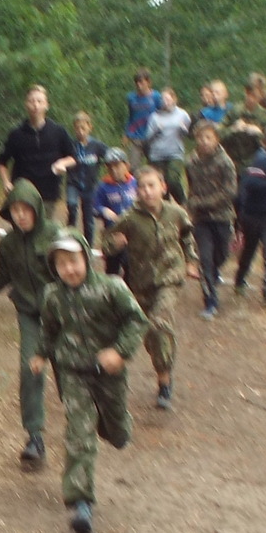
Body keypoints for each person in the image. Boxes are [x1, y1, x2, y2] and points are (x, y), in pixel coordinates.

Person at [32, 233, 149, 533]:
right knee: (79, 433)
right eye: (61, 264)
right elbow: (49, 329)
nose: (69, 269)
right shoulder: (52, 296)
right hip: (73, 372)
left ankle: (118, 427)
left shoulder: (111, 288)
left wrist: (120, 352)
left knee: (115, 428)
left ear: (86, 257)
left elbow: (136, 320)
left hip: (109, 372)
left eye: (73, 261)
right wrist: (41, 354)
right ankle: (80, 502)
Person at [0, 179, 62, 470]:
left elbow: (75, 271)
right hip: (30, 314)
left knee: (71, 370)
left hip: (59, 314)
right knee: (29, 369)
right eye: (14, 210)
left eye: (25, 209)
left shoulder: (55, 235)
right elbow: (2, 277)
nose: (20, 215)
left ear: (37, 209)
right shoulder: (8, 244)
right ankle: (35, 438)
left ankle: (88, 416)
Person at [103, 166, 199, 410]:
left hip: (170, 278)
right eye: (141, 187)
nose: (146, 191)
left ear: (163, 187)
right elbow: (105, 244)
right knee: (148, 333)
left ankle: (164, 383)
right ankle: (158, 371)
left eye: (151, 186)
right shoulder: (130, 218)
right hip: (141, 282)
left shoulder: (176, 213)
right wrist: (115, 243)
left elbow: (187, 236)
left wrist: (191, 261)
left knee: (159, 323)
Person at [184, 120, 239, 320]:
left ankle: (214, 272)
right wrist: (191, 205)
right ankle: (210, 302)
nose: (204, 142)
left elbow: (230, 191)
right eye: (200, 138)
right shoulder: (191, 162)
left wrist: (205, 202)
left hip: (222, 216)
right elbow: (191, 187)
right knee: (204, 259)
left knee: (222, 254)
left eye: (209, 137)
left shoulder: (225, 162)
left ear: (216, 139)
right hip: (202, 219)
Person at [0, 85, 77, 209]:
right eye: (31, 101)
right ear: (26, 105)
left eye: (39, 101)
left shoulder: (58, 131)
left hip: (49, 194)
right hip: (23, 194)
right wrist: (6, 183)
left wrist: (63, 163)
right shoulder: (16, 134)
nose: (35, 105)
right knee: (22, 227)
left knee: (46, 228)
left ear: (46, 105)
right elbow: (2, 162)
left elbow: (73, 157)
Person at [233, 124, 266, 306]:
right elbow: (251, 183)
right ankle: (240, 280)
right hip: (260, 214)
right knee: (254, 250)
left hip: (265, 212)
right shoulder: (262, 159)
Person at [66, 110, 112, 243]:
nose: (80, 131)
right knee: (72, 207)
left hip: (90, 185)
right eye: (77, 128)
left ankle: (88, 246)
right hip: (73, 183)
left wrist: (109, 173)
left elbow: (110, 157)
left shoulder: (97, 146)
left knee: (88, 218)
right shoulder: (71, 145)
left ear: (90, 128)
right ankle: (70, 237)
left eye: (83, 128)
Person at [143, 85, 193, 205]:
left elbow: (189, 135)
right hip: (157, 155)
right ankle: (164, 209)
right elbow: (147, 139)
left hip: (175, 153)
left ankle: (183, 203)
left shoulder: (182, 115)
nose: (166, 102)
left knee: (172, 180)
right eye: (163, 99)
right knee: (160, 185)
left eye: (168, 99)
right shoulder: (154, 117)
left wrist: (183, 130)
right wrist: (156, 132)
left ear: (174, 99)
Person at [91, 153, 139, 278]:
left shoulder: (135, 184)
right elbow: (94, 208)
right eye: (110, 167)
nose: (114, 170)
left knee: (131, 266)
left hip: (133, 233)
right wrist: (103, 210)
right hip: (113, 233)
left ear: (126, 166)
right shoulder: (103, 187)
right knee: (112, 268)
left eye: (117, 166)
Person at [224, 73, 266, 164]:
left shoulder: (265, 117)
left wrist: (259, 134)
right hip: (232, 161)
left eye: (255, 96)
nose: (251, 99)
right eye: (248, 94)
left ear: (262, 96)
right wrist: (233, 129)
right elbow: (218, 134)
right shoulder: (234, 112)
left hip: (255, 163)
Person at [123, 69, 161, 168]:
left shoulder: (156, 97)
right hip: (136, 137)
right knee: (133, 167)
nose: (139, 86)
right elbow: (131, 116)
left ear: (148, 82)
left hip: (152, 137)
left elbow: (161, 114)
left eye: (142, 82)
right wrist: (127, 134)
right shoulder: (131, 98)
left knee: (154, 166)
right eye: (137, 83)